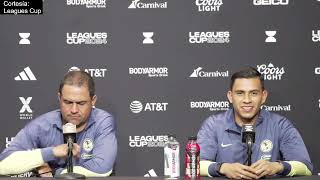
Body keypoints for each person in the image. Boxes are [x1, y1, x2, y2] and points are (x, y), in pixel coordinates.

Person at [197, 67, 313, 179]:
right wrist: (222, 168)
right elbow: (194, 165)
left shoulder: (280, 125)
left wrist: (277, 166)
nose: (247, 100)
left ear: (263, 96)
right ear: (230, 96)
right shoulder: (213, 125)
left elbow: (306, 167)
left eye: (253, 93)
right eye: (240, 93)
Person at [0, 70, 117, 177]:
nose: (74, 110)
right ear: (59, 98)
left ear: (93, 101)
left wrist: (54, 173)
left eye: (81, 103)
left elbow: (102, 169)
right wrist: (51, 152)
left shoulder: (102, 121)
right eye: (67, 102)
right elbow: (3, 165)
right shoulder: (42, 125)